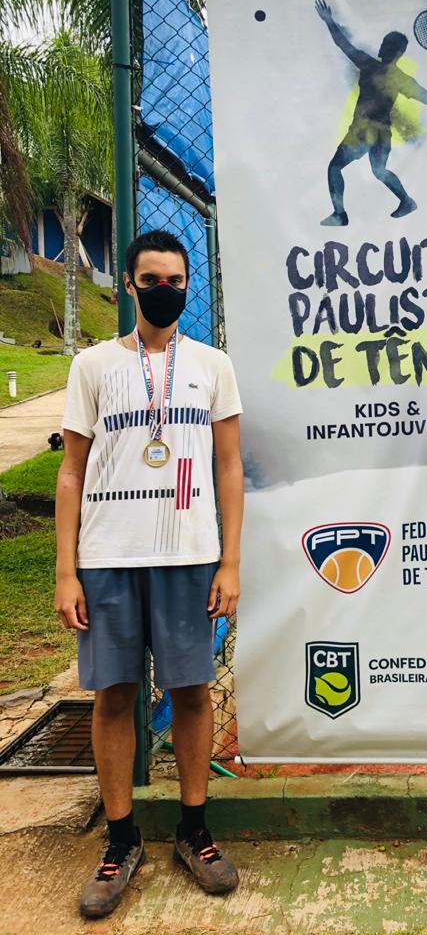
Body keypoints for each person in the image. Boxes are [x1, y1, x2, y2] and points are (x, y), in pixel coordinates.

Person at [55, 230, 244, 919]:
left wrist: (229, 560)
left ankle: (195, 831)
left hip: (188, 555)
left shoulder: (213, 365)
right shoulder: (93, 366)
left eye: (175, 280)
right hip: (108, 557)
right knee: (114, 696)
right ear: (129, 285)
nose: (165, 290)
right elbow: (70, 472)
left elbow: (229, 465)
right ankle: (121, 840)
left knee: (192, 692)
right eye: (152, 280)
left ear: (188, 285)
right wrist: (66, 571)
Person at [315, 0, 427, 226]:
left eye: (387, 45)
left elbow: (343, 44)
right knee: (379, 171)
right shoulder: (400, 78)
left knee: (335, 167)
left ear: (397, 52)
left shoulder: (369, 64)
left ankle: (340, 215)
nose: (382, 47)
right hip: (382, 134)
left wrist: (329, 21)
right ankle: (406, 201)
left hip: (364, 131)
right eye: (383, 43)